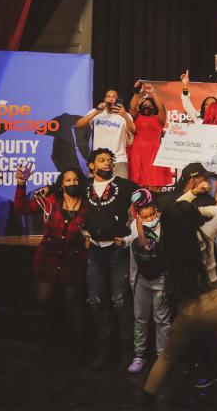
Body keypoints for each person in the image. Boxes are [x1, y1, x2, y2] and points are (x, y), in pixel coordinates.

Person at [140, 192, 217, 409]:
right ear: (190, 219)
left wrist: (185, 209)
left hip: (187, 309)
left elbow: (173, 214)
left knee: (165, 358)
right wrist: (198, 210)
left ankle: (144, 404)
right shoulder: (205, 234)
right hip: (215, 303)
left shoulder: (166, 241)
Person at [14, 165, 89, 356]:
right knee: (45, 300)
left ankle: (79, 348)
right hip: (47, 259)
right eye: (68, 180)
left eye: (75, 180)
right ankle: (51, 345)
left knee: (73, 301)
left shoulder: (87, 205)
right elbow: (21, 208)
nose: (73, 183)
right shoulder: (51, 201)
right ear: (61, 185)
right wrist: (21, 183)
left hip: (73, 261)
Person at [83, 148, 140, 368]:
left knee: (120, 300)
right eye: (102, 160)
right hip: (95, 251)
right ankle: (105, 348)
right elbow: (66, 202)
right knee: (96, 301)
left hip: (118, 251)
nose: (108, 163)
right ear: (91, 165)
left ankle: (129, 349)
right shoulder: (84, 187)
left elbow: (146, 202)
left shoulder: (126, 186)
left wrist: (134, 233)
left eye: (110, 160)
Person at [125, 189, 171, 374]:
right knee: (140, 319)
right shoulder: (135, 226)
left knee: (162, 320)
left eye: (151, 213)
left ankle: (162, 358)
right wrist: (132, 281)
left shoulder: (165, 224)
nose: (149, 218)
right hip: (141, 280)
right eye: (144, 216)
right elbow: (132, 255)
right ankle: (139, 355)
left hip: (161, 279)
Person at [75, 90, 135, 179]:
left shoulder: (124, 115)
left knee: (121, 190)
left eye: (114, 97)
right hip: (99, 160)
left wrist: (124, 115)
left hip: (118, 160)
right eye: (108, 96)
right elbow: (79, 124)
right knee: (94, 190)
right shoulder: (97, 112)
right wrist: (97, 111)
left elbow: (132, 130)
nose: (111, 99)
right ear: (104, 99)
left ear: (118, 100)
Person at [128, 81, 172, 190]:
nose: (147, 106)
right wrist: (137, 93)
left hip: (154, 156)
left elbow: (162, 108)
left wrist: (153, 92)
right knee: (137, 190)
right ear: (140, 106)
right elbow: (132, 108)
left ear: (154, 107)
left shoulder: (159, 119)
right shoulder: (135, 117)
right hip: (137, 156)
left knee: (155, 189)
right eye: (145, 104)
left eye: (150, 105)